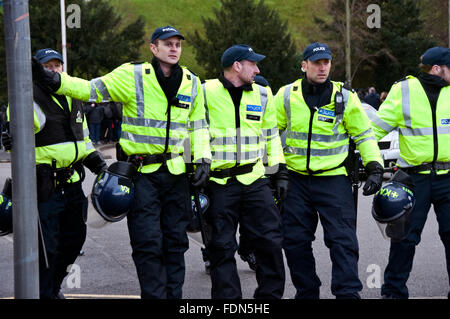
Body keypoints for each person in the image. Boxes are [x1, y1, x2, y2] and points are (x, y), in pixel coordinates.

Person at [32, 26, 212, 299]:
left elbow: (198, 126)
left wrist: (202, 159)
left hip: (176, 175)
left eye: (178, 44)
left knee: (175, 243)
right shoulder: (133, 74)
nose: (174, 48)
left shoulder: (192, 81)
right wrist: (55, 81)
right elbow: (91, 89)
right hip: (141, 176)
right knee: (147, 243)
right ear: (154, 48)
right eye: (167, 43)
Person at [274, 42, 384, 299]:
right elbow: (270, 134)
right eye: (316, 63)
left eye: (327, 62)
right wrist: (274, 171)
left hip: (334, 180)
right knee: (295, 242)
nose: (323, 67)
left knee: (343, 241)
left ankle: (347, 293)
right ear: (304, 65)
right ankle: (307, 292)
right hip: (296, 180)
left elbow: (364, 134)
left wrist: (375, 165)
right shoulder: (287, 95)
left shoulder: (345, 97)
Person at [2, 48, 107, 299]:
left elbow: (84, 140)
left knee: (74, 240)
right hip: (43, 187)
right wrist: (10, 135)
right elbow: (14, 129)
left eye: (57, 65)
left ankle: (53, 287)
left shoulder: (72, 95)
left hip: (72, 185)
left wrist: (97, 163)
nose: (54, 70)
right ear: (38, 69)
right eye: (47, 66)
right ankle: (44, 293)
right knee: (44, 250)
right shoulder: (26, 96)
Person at [202, 44, 288, 299]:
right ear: (237, 66)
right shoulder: (205, 92)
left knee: (270, 241)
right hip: (219, 182)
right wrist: (192, 168)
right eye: (253, 64)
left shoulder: (263, 94)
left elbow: (271, 136)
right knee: (221, 247)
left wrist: (280, 171)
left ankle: (269, 299)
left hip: (254, 180)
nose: (258, 69)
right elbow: (192, 129)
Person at [370, 46, 450, 299]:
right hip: (413, 178)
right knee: (404, 239)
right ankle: (393, 292)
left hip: (448, 177)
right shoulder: (404, 90)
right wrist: (366, 159)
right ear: (438, 69)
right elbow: (374, 130)